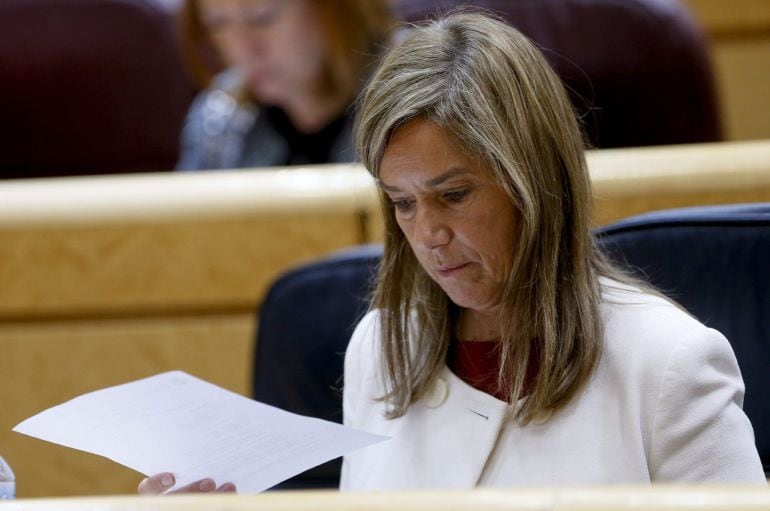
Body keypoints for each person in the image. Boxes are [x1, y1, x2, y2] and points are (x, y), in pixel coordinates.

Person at [139, 12, 765, 494]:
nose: (428, 234)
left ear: (532, 182)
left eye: (454, 195)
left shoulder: (670, 363)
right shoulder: (380, 348)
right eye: (404, 204)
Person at [175, 0, 394, 170]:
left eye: (262, 17)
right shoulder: (219, 116)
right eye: (217, 23)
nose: (241, 49)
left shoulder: (414, 94)